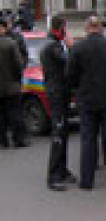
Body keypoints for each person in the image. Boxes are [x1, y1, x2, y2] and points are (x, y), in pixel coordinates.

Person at [67, 17, 106, 190]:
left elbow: (70, 75)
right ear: (100, 28)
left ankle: (87, 182)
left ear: (86, 28)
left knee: (88, 141)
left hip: (86, 101)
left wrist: (78, 89)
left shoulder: (77, 48)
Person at [40, 17, 77, 191]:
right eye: (65, 28)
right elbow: (69, 63)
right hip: (56, 95)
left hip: (60, 94)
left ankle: (62, 170)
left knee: (63, 134)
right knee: (58, 135)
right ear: (60, 29)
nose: (66, 32)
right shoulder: (52, 46)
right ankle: (53, 175)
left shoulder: (54, 44)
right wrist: (71, 46)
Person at [0, 18, 27, 149]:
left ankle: (3, 140)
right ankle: (18, 139)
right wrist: (17, 79)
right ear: (4, 28)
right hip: (12, 86)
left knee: (1, 115)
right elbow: (19, 65)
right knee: (15, 113)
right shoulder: (11, 44)